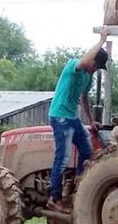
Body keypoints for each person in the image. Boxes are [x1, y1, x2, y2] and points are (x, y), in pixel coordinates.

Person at [47, 29, 109, 212]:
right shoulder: (75, 65)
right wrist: (102, 40)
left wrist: (90, 121)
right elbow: (84, 61)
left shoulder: (88, 76)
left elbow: (84, 98)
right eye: (96, 66)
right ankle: (54, 197)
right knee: (63, 156)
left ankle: (78, 190)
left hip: (73, 118)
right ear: (91, 60)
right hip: (59, 116)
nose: (96, 70)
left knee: (87, 151)